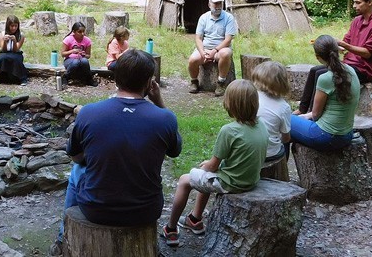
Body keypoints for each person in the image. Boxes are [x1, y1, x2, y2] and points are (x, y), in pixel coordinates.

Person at [51, 49, 181, 254]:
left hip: (96, 210)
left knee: (78, 170)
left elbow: (75, 156)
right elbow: (174, 152)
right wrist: (160, 104)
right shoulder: (165, 118)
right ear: (149, 83)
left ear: (115, 78)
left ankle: (61, 238)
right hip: (145, 211)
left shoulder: (89, 112)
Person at [162, 79, 267, 246]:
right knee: (205, 178)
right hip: (250, 180)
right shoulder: (261, 125)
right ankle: (195, 219)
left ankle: (171, 228)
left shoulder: (230, 130)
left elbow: (213, 166)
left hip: (232, 183)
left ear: (230, 104)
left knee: (184, 180)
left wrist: (205, 165)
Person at [296, 0, 372, 114]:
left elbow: (367, 53)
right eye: (354, 2)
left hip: (364, 70)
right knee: (314, 70)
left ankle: (313, 113)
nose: (355, 6)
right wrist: (333, 46)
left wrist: (345, 45)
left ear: (370, 2)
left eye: (358, 3)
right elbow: (346, 43)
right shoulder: (357, 21)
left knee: (322, 75)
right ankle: (302, 109)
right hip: (348, 64)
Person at [290, 35, 360, 151]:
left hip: (327, 137)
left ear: (318, 57)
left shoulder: (326, 78)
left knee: (285, 121)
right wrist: (306, 116)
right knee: (293, 124)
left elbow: (316, 115)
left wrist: (304, 117)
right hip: (347, 134)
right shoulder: (351, 70)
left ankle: (280, 160)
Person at [188, 0, 238, 97]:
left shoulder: (228, 17)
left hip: (220, 49)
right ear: (209, 4)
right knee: (192, 59)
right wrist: (202, 52)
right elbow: (198, 38)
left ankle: (221, 82)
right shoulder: (203, 18)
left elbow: (228, 39)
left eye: (220, 3)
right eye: (215, 4)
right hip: (205, 49)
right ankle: (194, 82)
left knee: (226, 54)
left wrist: (214, 51)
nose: (218, 6)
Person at [251, 61, 292, 161]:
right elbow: (286, 138)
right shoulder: (284, 107)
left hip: (248, 149)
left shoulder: (251, 96)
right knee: (285, 145)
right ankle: (283, 167)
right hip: (269, 154)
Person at [0, 15, 28, 85]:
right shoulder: (2, 34)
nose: (14, 28)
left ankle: (21, 78)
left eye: (15, 26)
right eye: (12, 26)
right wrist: (5, 41)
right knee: (2, 58)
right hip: (5, 52)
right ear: (8, 25)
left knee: (16, 59)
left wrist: (14, 41)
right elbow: (3, 49)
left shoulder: (21, 36)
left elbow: (16, 50)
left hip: (16, 53)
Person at [61, 22, 97, 86]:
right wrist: (72, 51)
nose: (82, 34)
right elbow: (63, 54)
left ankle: (89, 79)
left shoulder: (87, 40)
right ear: (74, 32)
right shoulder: (68, 39)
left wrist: (84, 55)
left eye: (83, 31)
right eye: (79, 32)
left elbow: (88, 56)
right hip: (70, 60)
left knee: (85, 61)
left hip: (81, 59)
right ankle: (65, 77)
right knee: (76, 62)